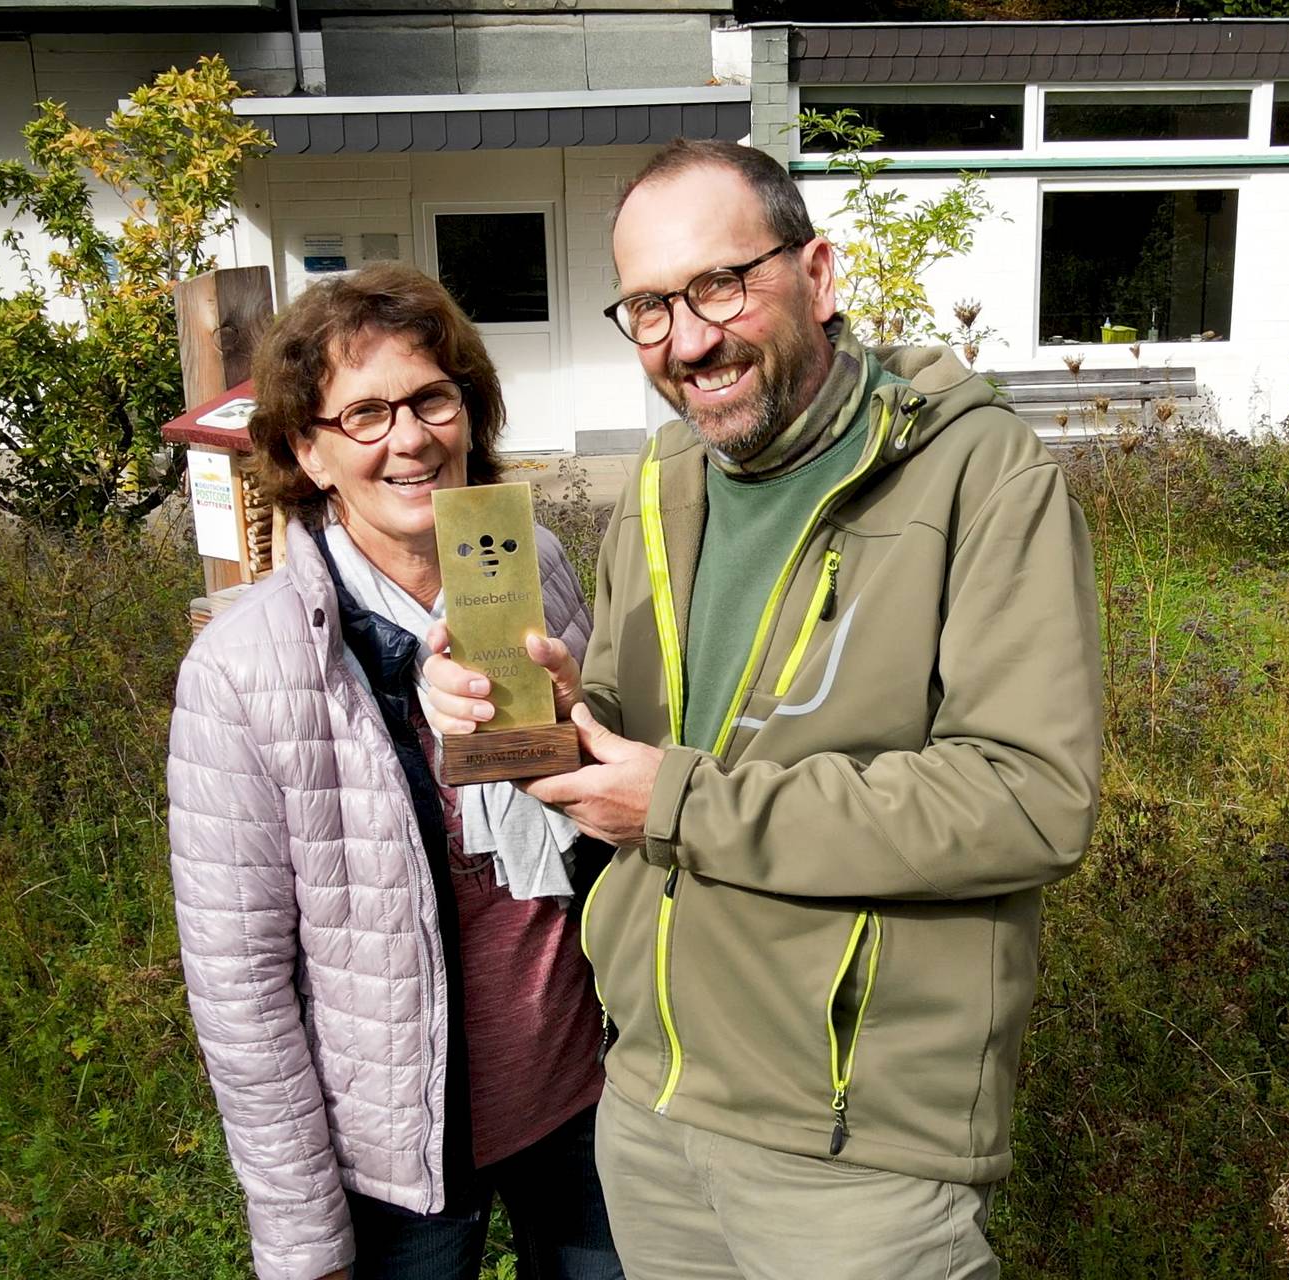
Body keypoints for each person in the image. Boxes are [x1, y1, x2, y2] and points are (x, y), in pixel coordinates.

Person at [421, 139, 1102, 1278]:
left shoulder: (980, 473)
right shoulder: (659, 485)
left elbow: (1029, 797)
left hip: (853, 1146)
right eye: (647, 307)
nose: (688, 340)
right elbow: (641, 736)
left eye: (719, 285)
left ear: (820, 275)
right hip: (648, 1107)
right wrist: (526, 708)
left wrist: (677, 801)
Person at [167, 262, 623, 1280]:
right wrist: (299, 1234)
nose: (409, 438)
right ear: (306, 450)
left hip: (582, 1100)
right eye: (363, 414)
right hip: (399, 1164)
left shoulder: (534, 561)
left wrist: (575, 712)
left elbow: (608, 821)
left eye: (430, 398)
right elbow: (241, 989)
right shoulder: (250, 669)